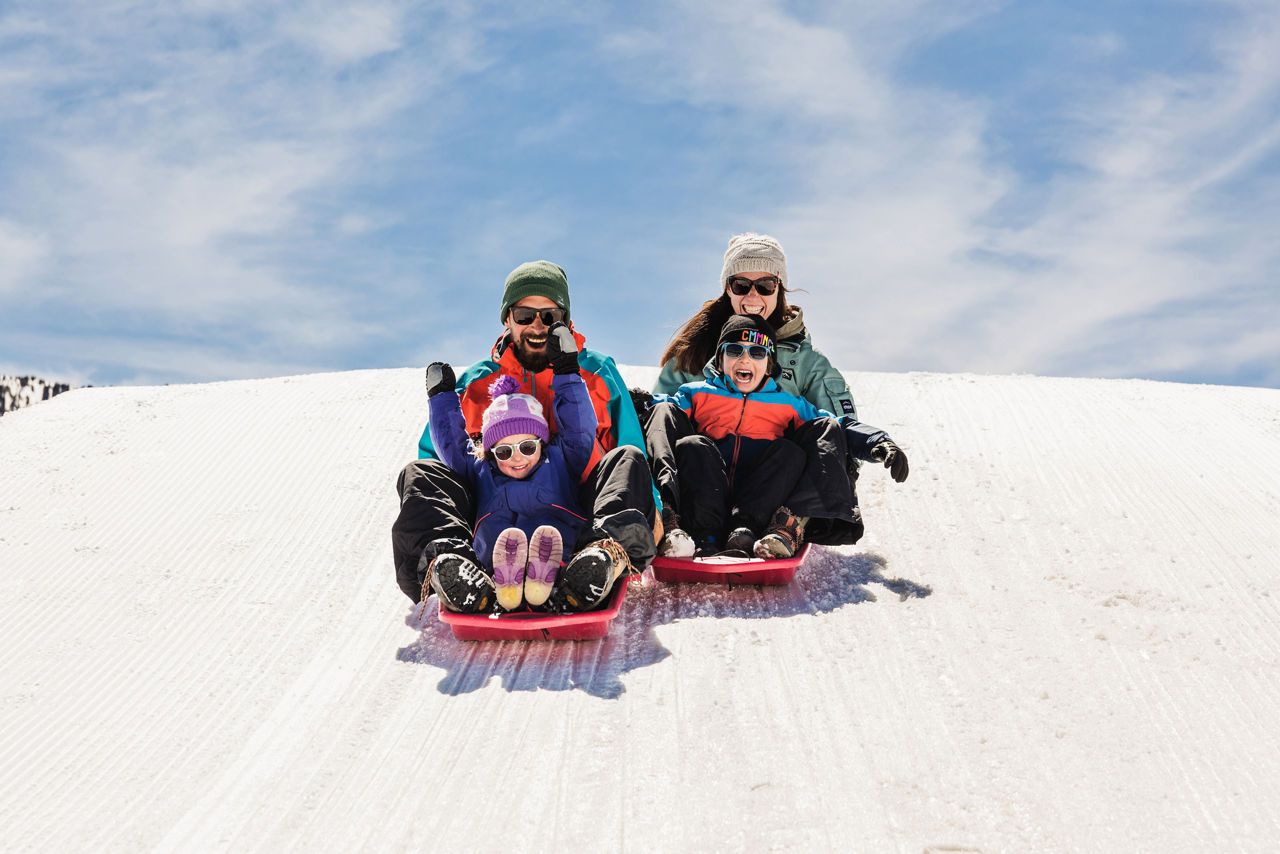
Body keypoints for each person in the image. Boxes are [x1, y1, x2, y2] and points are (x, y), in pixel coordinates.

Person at [393, 260, 656, 613]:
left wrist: (650, 515)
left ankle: (598, 559)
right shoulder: (477, 382)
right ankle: (453, 568)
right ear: (507, 319)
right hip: (492, 514)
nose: (537, 325)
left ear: (564, 318)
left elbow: (629, 442)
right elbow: (441, 456)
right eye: (524, 314)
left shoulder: (595, 370)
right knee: (421, 473)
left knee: (626, 459)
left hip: (580, 509)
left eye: (548, 316)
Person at [648, 233, 908, 552]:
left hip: (771, 489)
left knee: (798, 446)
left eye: (766, 285)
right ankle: (668, 516)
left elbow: (835, 430)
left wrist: (874, 444)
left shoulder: (803, 368)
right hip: (701, 484)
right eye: (741, 285)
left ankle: (786, 526)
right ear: (727, 288)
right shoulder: (695, 357)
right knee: (677, 432)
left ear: (780, 288)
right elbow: (659, 417)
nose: (753, 295)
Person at [425, 321, 617, 612]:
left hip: (558, 550)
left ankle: (552, 576)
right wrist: (441, 399)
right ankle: (501, 584)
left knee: (555, 540)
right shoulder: (480, 471)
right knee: (497, 548)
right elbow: (452, 446)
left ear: (541, 442)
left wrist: (567, 370)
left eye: (527, 447)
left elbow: (579, 428)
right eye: (503, 451)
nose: (517, 457)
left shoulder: (560, 460)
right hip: (494, 562)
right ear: (489, 452)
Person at [650, 314, 835, 559]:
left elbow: (836, 424)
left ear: (769, 364)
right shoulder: (695, 393)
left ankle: (752, 533)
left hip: (756, 505)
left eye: (757, 352)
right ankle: (679, 522)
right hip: (703, 500)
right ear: (720, 359)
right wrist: (638, 400)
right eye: (735, 350)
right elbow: (663, 411)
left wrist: (874, 440)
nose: (745, 358)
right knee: (692, 443)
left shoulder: (790, 404)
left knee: (791, 451)